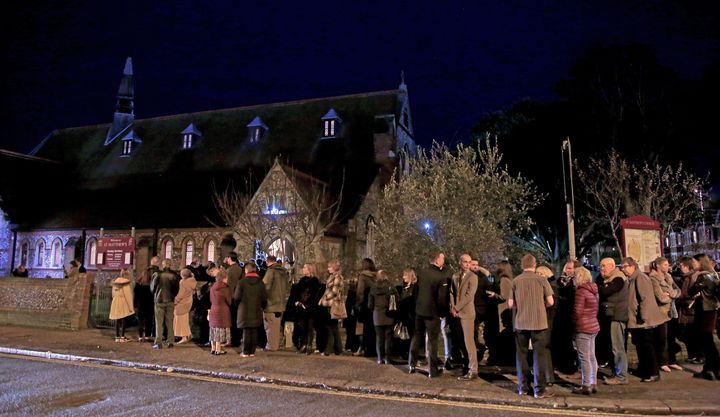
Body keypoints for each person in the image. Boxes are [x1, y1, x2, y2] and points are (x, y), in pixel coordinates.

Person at [508, 254, 554, 399]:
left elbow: (510, 304)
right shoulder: (542, 280)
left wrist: (519, 306)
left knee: (521, 355)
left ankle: (523, 387)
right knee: (538, 356)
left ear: (522, 265)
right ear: (534, 265)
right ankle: (539, 390)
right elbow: (551, 302)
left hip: (521, 322)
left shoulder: (515, 281)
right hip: (539, 322)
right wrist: (541, 307)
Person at [623, 256, 667, 382]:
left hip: (643, 321)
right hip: (638, 320)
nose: (623, 270)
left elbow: (645, 298)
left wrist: (644, 317)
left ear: (632, 266)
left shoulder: (640, 278)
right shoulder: (633, 279)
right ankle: (643, 369)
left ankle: (653, 372)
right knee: (640, 346)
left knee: (647, 346)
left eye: (625, 267)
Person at [408, 251, 448, 379]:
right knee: (432, 341)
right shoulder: (441, 276)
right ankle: (432, 370)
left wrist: (416, 306)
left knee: (416, 336)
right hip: (432, 312)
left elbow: (415, 292)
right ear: (437, 260)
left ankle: (411, 364)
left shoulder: (422, 273)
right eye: (442, 258)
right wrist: (442, 313)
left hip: (419, 311)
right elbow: (441, 298)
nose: (444, 260)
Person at [688, 254, 720, 380]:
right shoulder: (713, 275)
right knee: (707, 341)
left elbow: (691, 291)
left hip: (704, 310)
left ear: (700, 262)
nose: (692, 265)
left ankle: (713, 368)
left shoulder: (703, 276)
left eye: (694, 262)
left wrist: (694, 280)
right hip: (711, 309)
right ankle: (710, 368)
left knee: (706, 341)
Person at [598, 257, 630, 385]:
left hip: (617, 316)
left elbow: (606, 291)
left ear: (612, 266)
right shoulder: (607, 279)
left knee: (618, 347)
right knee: (614, 347)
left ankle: (621, 376)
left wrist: (599, 287)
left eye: (604, 266)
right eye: (600, 266)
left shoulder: (618, 279)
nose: (602, 269)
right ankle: (616, 372)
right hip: (611, 316)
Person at [648, 257, 682, 372]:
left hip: (671, 312)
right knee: (662, 338)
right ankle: (662, 361)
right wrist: (671, 295)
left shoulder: (669, 277)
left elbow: (678, 292)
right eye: (665, 264)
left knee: (671, 337)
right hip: (661, 313)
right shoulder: (653, 278)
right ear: (658, 266)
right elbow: (660, 297)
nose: (668, 267)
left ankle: (672, 360)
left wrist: (670, 294)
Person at [571, 267, 600, 395]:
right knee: (592, 356)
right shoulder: (593, 290)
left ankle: (586, 385)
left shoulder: (581, 292)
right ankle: (593, 383)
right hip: (593, 325)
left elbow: (577, 311)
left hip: (583, 327)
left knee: (584, 357)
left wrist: (572, 322)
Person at [450, 254, 479, 380]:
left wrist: (457, 307)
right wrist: (453, 307)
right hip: (457, 313)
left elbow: (469, 296)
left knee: (469, 342)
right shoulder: (455, 276)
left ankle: (473, 369)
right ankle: (466, 366)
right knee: (461, 341)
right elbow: (451, 292)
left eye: (469, 262)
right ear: (460, 262)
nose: (467, 264)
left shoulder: (473, 277)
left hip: (467, 313)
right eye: (465, 262)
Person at [235, 262, 268, 357]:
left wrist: (238, 306)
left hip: (244, 310)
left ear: (246, 270)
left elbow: (236, 297)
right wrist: (262, 306)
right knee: (254, 331)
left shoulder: (241, 282)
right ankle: (252, 351)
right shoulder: (260, 283)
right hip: (256, 309)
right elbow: (264, 298)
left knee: (246, 331)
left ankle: (245, 351)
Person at [287, 263, 321, 354]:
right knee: (302, 327)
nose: (303, 269)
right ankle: (304, 344)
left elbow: (315, 295)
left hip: (310, 308)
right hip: (301, 308)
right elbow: (297, 293)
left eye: (305, 267)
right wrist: (297, 302)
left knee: (309, 327)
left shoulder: (315, 281)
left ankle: (309, 345)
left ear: (310, 269)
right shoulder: (302, 281)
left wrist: (308, 304)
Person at [368, 270, 399, 365]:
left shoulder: (373, 288)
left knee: (379, 337)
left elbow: (370, 304)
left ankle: (380, 358)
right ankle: (387, 358)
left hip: (377, 315)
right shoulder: (391, 287)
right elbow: (397, 299)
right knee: (388, 338)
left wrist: (373, 309)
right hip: (388, 315)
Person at [535, 265, 558, 386]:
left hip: (546, 321)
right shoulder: (550, 285)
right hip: (547, 320)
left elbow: (551, 304)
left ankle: (548, 377)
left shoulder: (549, 287)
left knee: (543, 348)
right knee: (544, 349)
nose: (537, 276)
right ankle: (548, 376)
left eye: (540, 274)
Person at [150, 258, 180, 349]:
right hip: (170, 300)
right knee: (169, 322)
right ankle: (170, 341)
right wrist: (172, 296)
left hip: (159, 300)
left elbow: (152, 288)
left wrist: (156, 293)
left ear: (163, 265)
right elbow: (176, 289)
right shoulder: (174, 275)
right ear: (170, 265)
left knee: (159, 322)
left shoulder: (157, 274)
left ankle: (158, 342)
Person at [319, 259, 346, 356]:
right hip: (328, 304)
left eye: (329, 267)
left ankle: (329, 349)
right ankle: (338, 349)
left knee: (330, 327)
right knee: (333, 327)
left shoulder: (337, 277)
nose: (328, 269)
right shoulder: (332, 276)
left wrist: (325, 298)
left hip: (332, 304)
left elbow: (334, 292)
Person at [263, 255, 289, 351]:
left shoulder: (271, 271)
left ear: (267, 262)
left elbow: (266, 287)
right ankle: (275, 345)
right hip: (281, 303)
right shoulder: (283, 272)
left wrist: (263, 299)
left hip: (271, 303)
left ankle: (271, 346)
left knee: (269, 327)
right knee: (276, 327)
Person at [470, 259, 492, 364]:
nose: (475, 267)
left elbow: (493, 283)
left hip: (480, 310)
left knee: (477, 334)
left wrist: (487, 272)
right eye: (473, 265)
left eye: (477, 265)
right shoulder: (465, 277)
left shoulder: (482, 278)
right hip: (469, 309)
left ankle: (480, 352)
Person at [355, 258, 378, 358]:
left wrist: (358, 303)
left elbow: (360, 291)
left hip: (365, 303)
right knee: (373, 328)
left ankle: (364, 349)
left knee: (364, 328)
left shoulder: (363, 276)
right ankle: (373, 349)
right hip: (375, 303)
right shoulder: (376, 275)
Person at [208, 269, 232, 355]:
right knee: (221, 329)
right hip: (223, 309)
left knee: (214, 329)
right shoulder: (225, 288)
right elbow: (229, 301)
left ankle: (213, 348)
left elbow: (211, 299)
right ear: (224, 278)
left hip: (213, 308)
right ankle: (219, 349)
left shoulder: (213, 287)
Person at [135, 256, 158, 342]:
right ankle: (148, 335)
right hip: (151, 303)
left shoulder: (139, 284)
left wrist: (135, 304)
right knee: (149, 318)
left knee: (141, 320)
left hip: (141, 303)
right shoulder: (151, 286)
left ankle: (141, 336)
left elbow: (136, 294)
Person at [109, 268, 134, 342]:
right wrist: (130, 307)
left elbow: (113, 294)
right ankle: (122, 337)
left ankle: (117, 337)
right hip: (123, 301)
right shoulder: (126, 283)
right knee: (124, 319)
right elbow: (128, 296)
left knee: (117, 320)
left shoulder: (115, 282)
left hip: (116, 301)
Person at [174, 268, 197, 344]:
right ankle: (188, 334)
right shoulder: (192, 281)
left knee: (181, 321)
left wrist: (175, 301)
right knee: (185, 320)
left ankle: (184, 337)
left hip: (181, 304)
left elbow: (180, 295)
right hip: (188, 302)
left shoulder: (183, 283)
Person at [225, 252, 244, 347]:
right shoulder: (239, 268)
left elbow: (227, 284)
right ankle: (237, 338)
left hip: (231, 296)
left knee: (233, 318)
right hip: (238, 296)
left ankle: (234, 339)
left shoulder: (230, 270)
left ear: (229, 258)